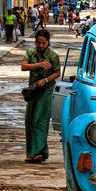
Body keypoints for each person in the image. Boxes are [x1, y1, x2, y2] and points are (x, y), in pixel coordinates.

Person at [20, 28, 61, 164]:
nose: (41, 46)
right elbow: (24, 67)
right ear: (35, 42)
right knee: (30, 120)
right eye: (39, 43)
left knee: (40, 120)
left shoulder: (52, 56)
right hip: (33, 89)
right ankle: (31, 153)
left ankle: (40, 152)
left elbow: (57, 73)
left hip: (47, 90)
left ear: (48, 43)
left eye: (44, 43)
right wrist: (39, 65)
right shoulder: (30, 53)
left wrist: (46, 80)